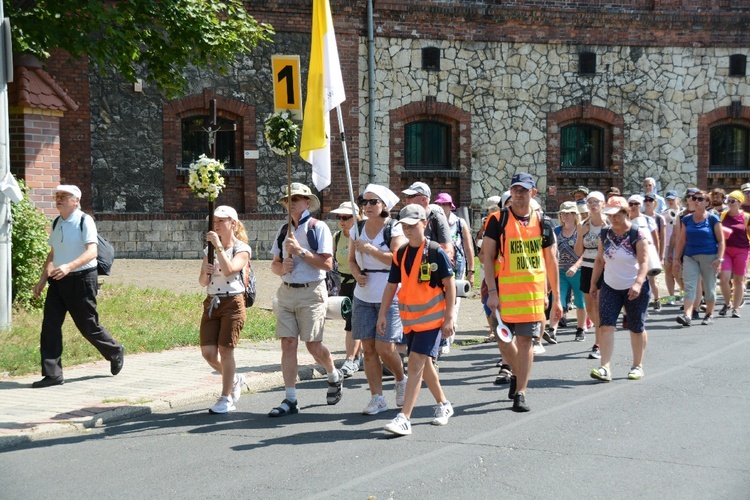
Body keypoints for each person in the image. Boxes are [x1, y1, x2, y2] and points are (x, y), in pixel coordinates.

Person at [482, 172, 562, 412]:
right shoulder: (497, 220)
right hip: (503, 294)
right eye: (515, 189)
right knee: (504, 340)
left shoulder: (544, 222)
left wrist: (556, 297)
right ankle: (518, 372)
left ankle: (521, 392)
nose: (519, 193)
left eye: (524, 189)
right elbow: (487, 258)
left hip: (532, 295)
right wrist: (492, 292)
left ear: (533, 193)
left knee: (526, 342)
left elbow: (551, 261)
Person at [31, 185, 125, 388]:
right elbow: (53, 254)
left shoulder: (85, 220)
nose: (59, 199)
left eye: (64, 196)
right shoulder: (57, 222)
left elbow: (92, 252)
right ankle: (53, 374)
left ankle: (114, 351)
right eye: (57, 196)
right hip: (58, 279)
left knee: (87, 325)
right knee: (50, 326)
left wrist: (69, 266)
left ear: (76, 200)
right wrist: (42, 280)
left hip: (82, 279)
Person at [268, 182, 343, 417]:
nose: (291, 203)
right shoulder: (283, 230)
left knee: (313, 346)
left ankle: (333, 373)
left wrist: (300, 252)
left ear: (307, 202)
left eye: (296, 199)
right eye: (287, 200)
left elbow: (327, 263)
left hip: (312, 291)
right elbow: (274, 264)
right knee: (287, 343)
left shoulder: (318, 227)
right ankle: (290, 399)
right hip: (287, 291)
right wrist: (282, 267)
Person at [379, 204, 455, 435]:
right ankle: (444, 404)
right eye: (405, 226)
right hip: (411, 321)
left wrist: (449, 317)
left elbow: (449, 285)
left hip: (432, 321)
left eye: (413, 225)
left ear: (424, 223)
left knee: (414, 363)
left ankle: (404, 418)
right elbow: (392, 285)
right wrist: (382, 313)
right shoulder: (400, 254)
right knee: (426, 366)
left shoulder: (435, 251)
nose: (409, 230)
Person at [348, 184, 408, 415]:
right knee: (368, 348)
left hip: (389, 292)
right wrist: (355, 273)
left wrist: (370, 249)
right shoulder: (357, 227)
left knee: (385, 346)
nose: (368, 206)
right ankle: (377, 398)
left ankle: (400, 378)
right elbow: (351, 259)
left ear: (384, 205)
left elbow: (397, 260)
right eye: (365, 202)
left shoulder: (394, 228)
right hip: (363, 294)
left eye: (374, 202)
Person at [589, 196, 650, 382]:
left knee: (636, 327)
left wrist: (638, 283)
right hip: (610, 286)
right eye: (610, 215)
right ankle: (605, 367)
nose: (613, 218)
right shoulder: (605, 233)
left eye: (616, 214)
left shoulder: (637, 234)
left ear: (626, 213)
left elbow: (644, 262)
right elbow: (599, 259)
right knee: (606, 325)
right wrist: (593, 283)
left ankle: (637, 365)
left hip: (634, 287)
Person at [198, 206, 251, 414]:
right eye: (215, 221)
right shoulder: (208, 250)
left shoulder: (242, 248)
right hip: (212, 301)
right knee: (208, 353)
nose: (217, 224)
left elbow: (230, 270)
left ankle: (226, 397)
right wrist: (206, 272)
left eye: (221, 221)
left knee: (226, 350)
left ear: (233, 223)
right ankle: (234, 378)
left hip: (233, 302)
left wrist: (218, 246)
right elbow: (202, 282)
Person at [673, 190, 725, 327]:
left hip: (710, 257)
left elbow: (721, 241)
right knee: (689, 286)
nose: (696, 201)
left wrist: (719, 259)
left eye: (700, 199)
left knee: (709, 287)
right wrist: (676, 259)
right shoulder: (687, 219)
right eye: (694, 198)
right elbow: (682, 240)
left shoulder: (713, 218)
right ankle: (687, 315)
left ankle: (709, 314)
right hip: (690, 256)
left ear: (707, 202)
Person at [434, 192, 475, 353]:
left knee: (454, 302)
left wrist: (471, 271)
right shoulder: (433, 221)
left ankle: (447, 337)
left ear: (450, 206)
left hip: (457, 267)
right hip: (438, 266)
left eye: (444, 205)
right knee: (440, 301)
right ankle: (440, 336)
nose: (442, 208)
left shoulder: (459, 222)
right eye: (439, 205)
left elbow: (468, 246)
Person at [330, 201, 363, 378]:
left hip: (361, 282)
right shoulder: (336, 237)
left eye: (346, 217)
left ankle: (350, 359)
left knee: (353, 323)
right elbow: (330, 261)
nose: (342, 221)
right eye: (339, 217)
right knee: (349, 321)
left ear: (356, 217)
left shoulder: (361, 235)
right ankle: (359, 356)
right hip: (344, 283)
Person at [574, 191, 608, 359]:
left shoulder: (608, 223)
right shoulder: (584, 224)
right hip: (587, 267)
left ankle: (598, 343)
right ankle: (604, 331)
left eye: (596, 202)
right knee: (589, 308)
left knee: (598, 305)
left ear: (603, 204)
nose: (593, 205)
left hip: (604, 268)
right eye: (590, 202)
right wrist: (580, 234)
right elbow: (578, 251)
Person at [547, 201, 586, 344]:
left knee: (580, 302)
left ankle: (580, 329)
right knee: (557, 300)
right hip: (559, 272)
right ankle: (552, 331)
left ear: (575, 215)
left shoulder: (581, 230)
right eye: (563, 213)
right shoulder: (556, 231)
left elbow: (587, 252)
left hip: (578, 272)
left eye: (569, 213)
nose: (565, 216)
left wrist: (575, 266)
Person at [718, 191, 750, 318]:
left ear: (739, 202)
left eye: (732, 201)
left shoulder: (746, 217)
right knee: (724, 279)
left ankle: (736, 308)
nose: (729, 203)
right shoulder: (722, 215)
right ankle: (727, 303)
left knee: (738, 280)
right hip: (726, 250)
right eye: (728, 200)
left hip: (742, 250)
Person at [477, 195, 502, 342]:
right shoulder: (486, 225)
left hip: (502, 272)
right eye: (490, 211)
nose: (491, 214)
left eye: (495, 210)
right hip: (487, 270)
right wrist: (487, 259)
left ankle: (500, 330)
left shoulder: (505, 225)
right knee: (486, 299)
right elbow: (480, 253)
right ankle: (493, 331)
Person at [642, 193, 667, 311]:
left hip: (653, 252)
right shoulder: (639, 217)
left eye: (650, 200)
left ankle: (657, 299)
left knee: (652, 279)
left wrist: (661, 257)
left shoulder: (659, 218)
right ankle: (644, 304)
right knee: (642, 279)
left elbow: (662, 238)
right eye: (645, 200)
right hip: (641, 252)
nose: (648, 202)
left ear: (655, 203)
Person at [661, 190, 683, 305]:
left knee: (677, 271)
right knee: (668, 270)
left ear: (677, 199)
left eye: (672, 199)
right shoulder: (663, 213)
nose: (670, 201)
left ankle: (683, 291)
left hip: (679, 244)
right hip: (667, 244)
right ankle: (671, 296)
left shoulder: (683, 212)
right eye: (668, 199)